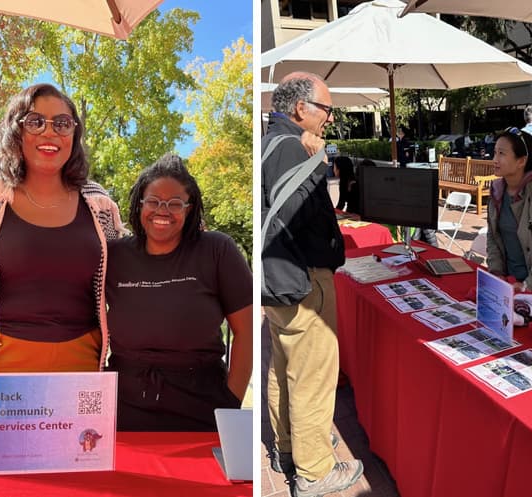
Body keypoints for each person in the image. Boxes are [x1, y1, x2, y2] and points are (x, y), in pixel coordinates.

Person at [0, 83, 123, 431]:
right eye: (35, 121)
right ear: (14, 128)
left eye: (62, 123)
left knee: (79, 482)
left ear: (74, 134)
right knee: (4, 485)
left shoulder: (99, 204)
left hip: (81, 372)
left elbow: (127, 276)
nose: (50, 132)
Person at [262, 72, 364, 496]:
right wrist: (317, 163)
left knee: (284, 368)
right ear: (301, 108)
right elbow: (297, 214)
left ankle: (287, 450)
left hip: (279, 281)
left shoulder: (271, 142)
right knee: (313, 376)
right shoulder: (294, 148)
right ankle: (316, 470)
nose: (329, 118)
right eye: (326, 109)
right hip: (303, 280)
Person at [105, 154, 252, 431]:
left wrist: (231, 402)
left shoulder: (217, 250)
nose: (162, 211)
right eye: (153, 201)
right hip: (124, 405)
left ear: (189, 208)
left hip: (202, 402)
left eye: (174, 203)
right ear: (139, 205)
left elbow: (246, 332)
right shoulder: (114, 255)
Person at [486, 128, 532, 292]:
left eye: (501, 153)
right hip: (507, 284)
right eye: (494, 152)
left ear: (521, 161)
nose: (495, 159)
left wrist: (528, 285)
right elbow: (492, 237)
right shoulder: (496, 190)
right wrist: (496, 274)